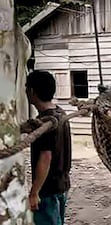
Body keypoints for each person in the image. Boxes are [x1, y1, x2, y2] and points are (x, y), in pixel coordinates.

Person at [25, 70, 72, 225]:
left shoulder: (46, 122)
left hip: (48, 189)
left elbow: (46, 157)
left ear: (32, 91)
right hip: (62, 184)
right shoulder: (60, 113)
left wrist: (34, 192)